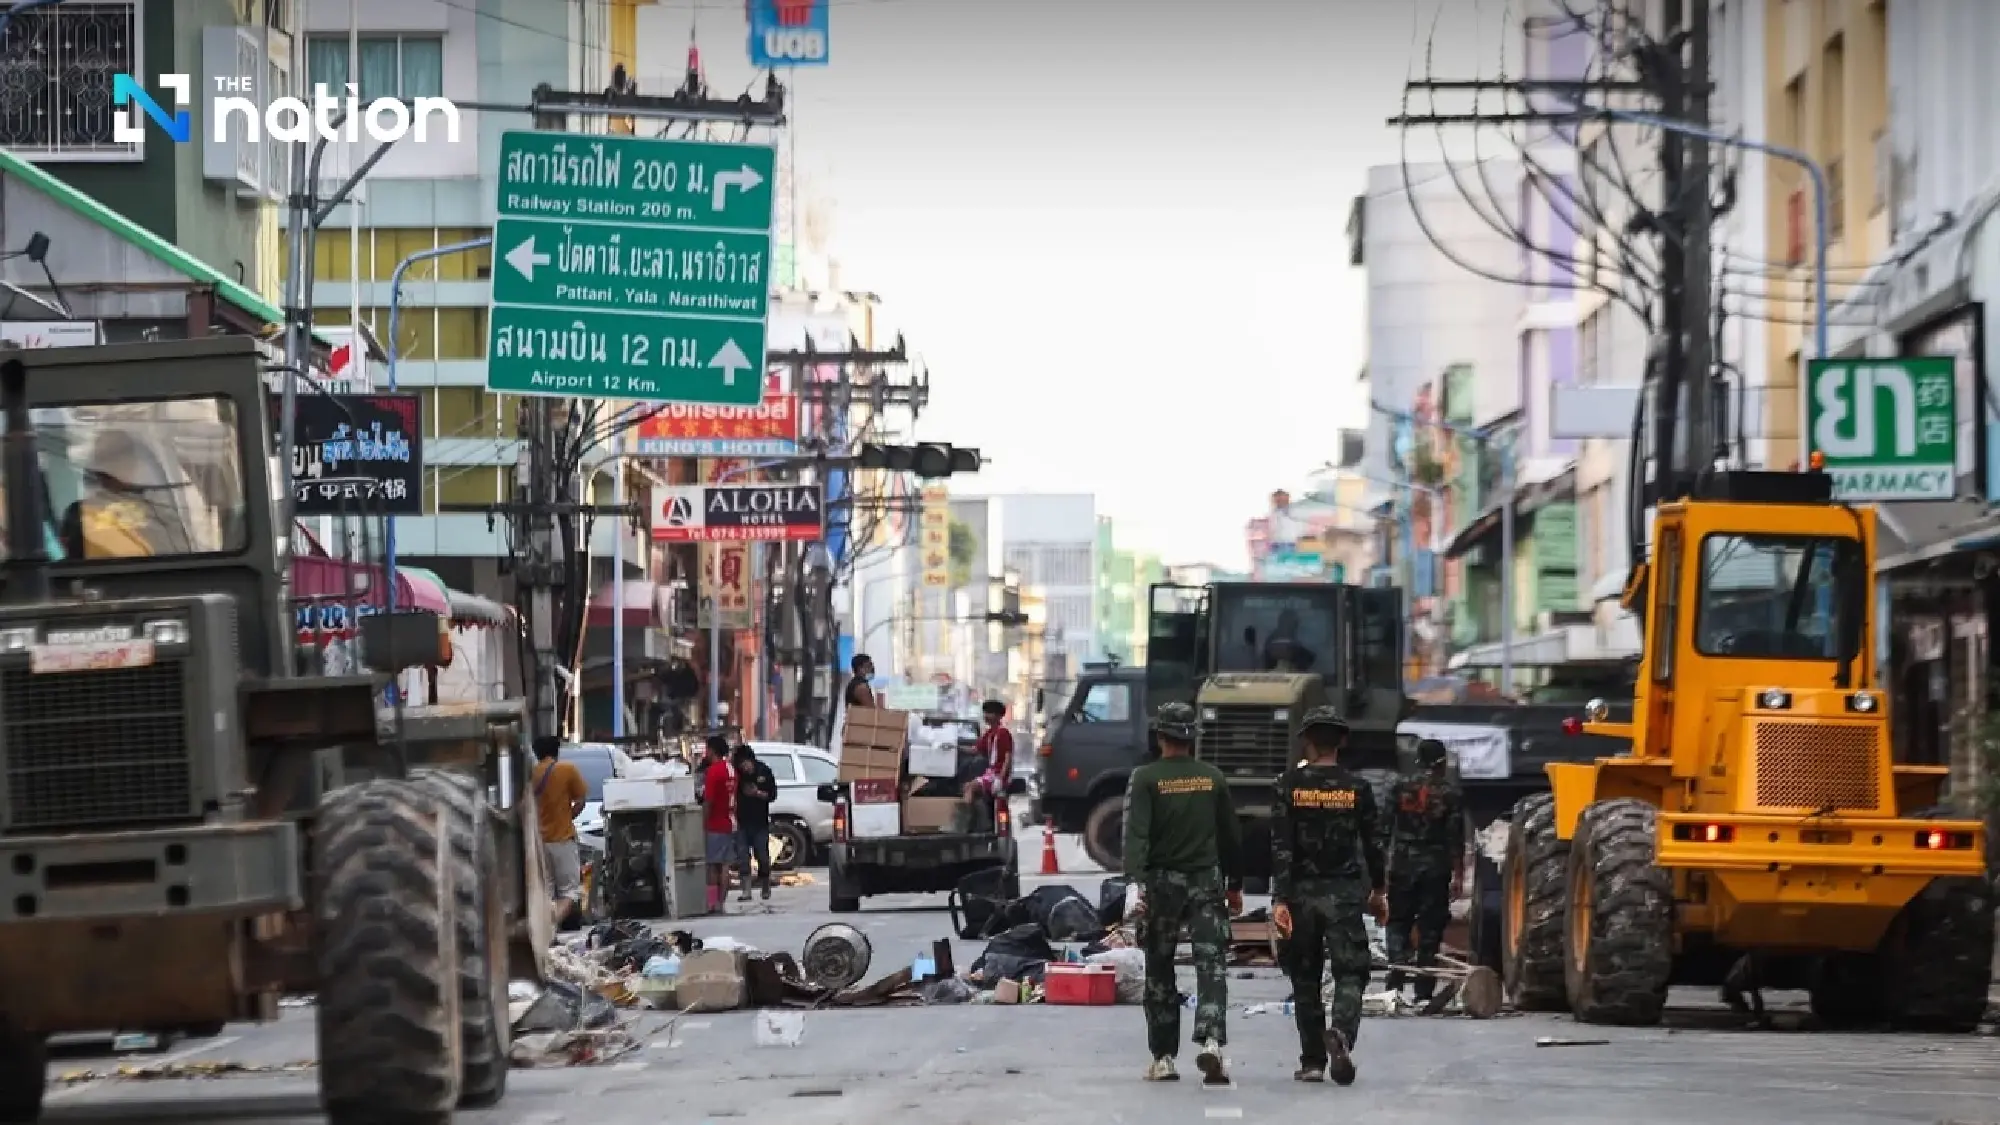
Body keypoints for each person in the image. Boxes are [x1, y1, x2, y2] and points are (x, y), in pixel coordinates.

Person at [1123, 701, 1243, 1086]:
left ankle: (1163, 1058)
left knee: (1159, 966)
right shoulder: (1212, 778)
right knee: (1212, 964)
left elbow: (1136, 836)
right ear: (1193, 737)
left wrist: (1134, 884)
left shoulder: (1145, 778)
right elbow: (1230, 836)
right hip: (1206, 882)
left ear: (1160, 736)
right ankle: (1211, 1041)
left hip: (1162, 886)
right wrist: (1235, 885)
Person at [1271, 707, 1385, 1087]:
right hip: (1344, 894)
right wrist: (1378, 891)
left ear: (1307, 740)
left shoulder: (1287, 785)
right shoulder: (1358, 789)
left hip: (1300, 896)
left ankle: (1312, 1062)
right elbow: (1373, 845)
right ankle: (1341, 1033)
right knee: (1350, 972)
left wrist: (1280, 900)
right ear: (1342, 741)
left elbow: (1281, 848)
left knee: (1304, 977)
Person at [1383, 738, 1466, 1003]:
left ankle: (1394, 984)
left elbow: (1383, 830)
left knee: (1398, 923)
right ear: (1441, 763)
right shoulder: (1450, 793)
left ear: (1418, 760)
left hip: (1403, 865)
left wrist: (1381, 869)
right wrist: (1459, 874)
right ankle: (1423, 992)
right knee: (1430, 928)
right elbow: (1455, 838)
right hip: (1435, 868)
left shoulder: (1398, 787)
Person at [528, 735, 589, 924]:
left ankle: (546, 927)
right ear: (557, 751)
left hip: (539, 842)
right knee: (570, 892)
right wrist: (567, 817)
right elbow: (581, 801)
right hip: (562, 839)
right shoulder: (567, 770)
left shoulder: (531, 774)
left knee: (547, 891)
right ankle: (552, 925)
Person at [698, 735, 739, 912]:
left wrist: (702, 822)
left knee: (712, 867)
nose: (705, 753)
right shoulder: (731, 770)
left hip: (715, 824)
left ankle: (712, 903)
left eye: (706, 749)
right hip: (730, 822)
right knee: (725, 866)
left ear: (712, 750)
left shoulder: (713, 772)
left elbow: (709, 801)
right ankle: (721, 903)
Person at [732, 743, 777, 902]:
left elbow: (773, 795)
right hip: (742, 822)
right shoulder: (736, 775)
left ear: (751, 760)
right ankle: (746, 890)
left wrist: (757, 793)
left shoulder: (764, 771)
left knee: (762, 856)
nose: (744, 768)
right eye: (740, 765)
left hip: (760, 823)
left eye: (745, 763)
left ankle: (765, 885)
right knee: (743, 857)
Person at [961, 700, 1014, 827]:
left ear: (998, 716)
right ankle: (977, 821)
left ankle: (964, 823)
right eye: (985, 712)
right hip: (991, 773)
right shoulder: (989, 734)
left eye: (989, 713)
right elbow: (975, 750)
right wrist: (955, 747)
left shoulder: (1003, 733)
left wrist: (1000, 778)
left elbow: (1007, 758)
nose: (985, 716)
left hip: (997, 775)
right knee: (967, 786)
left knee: (971, 787)